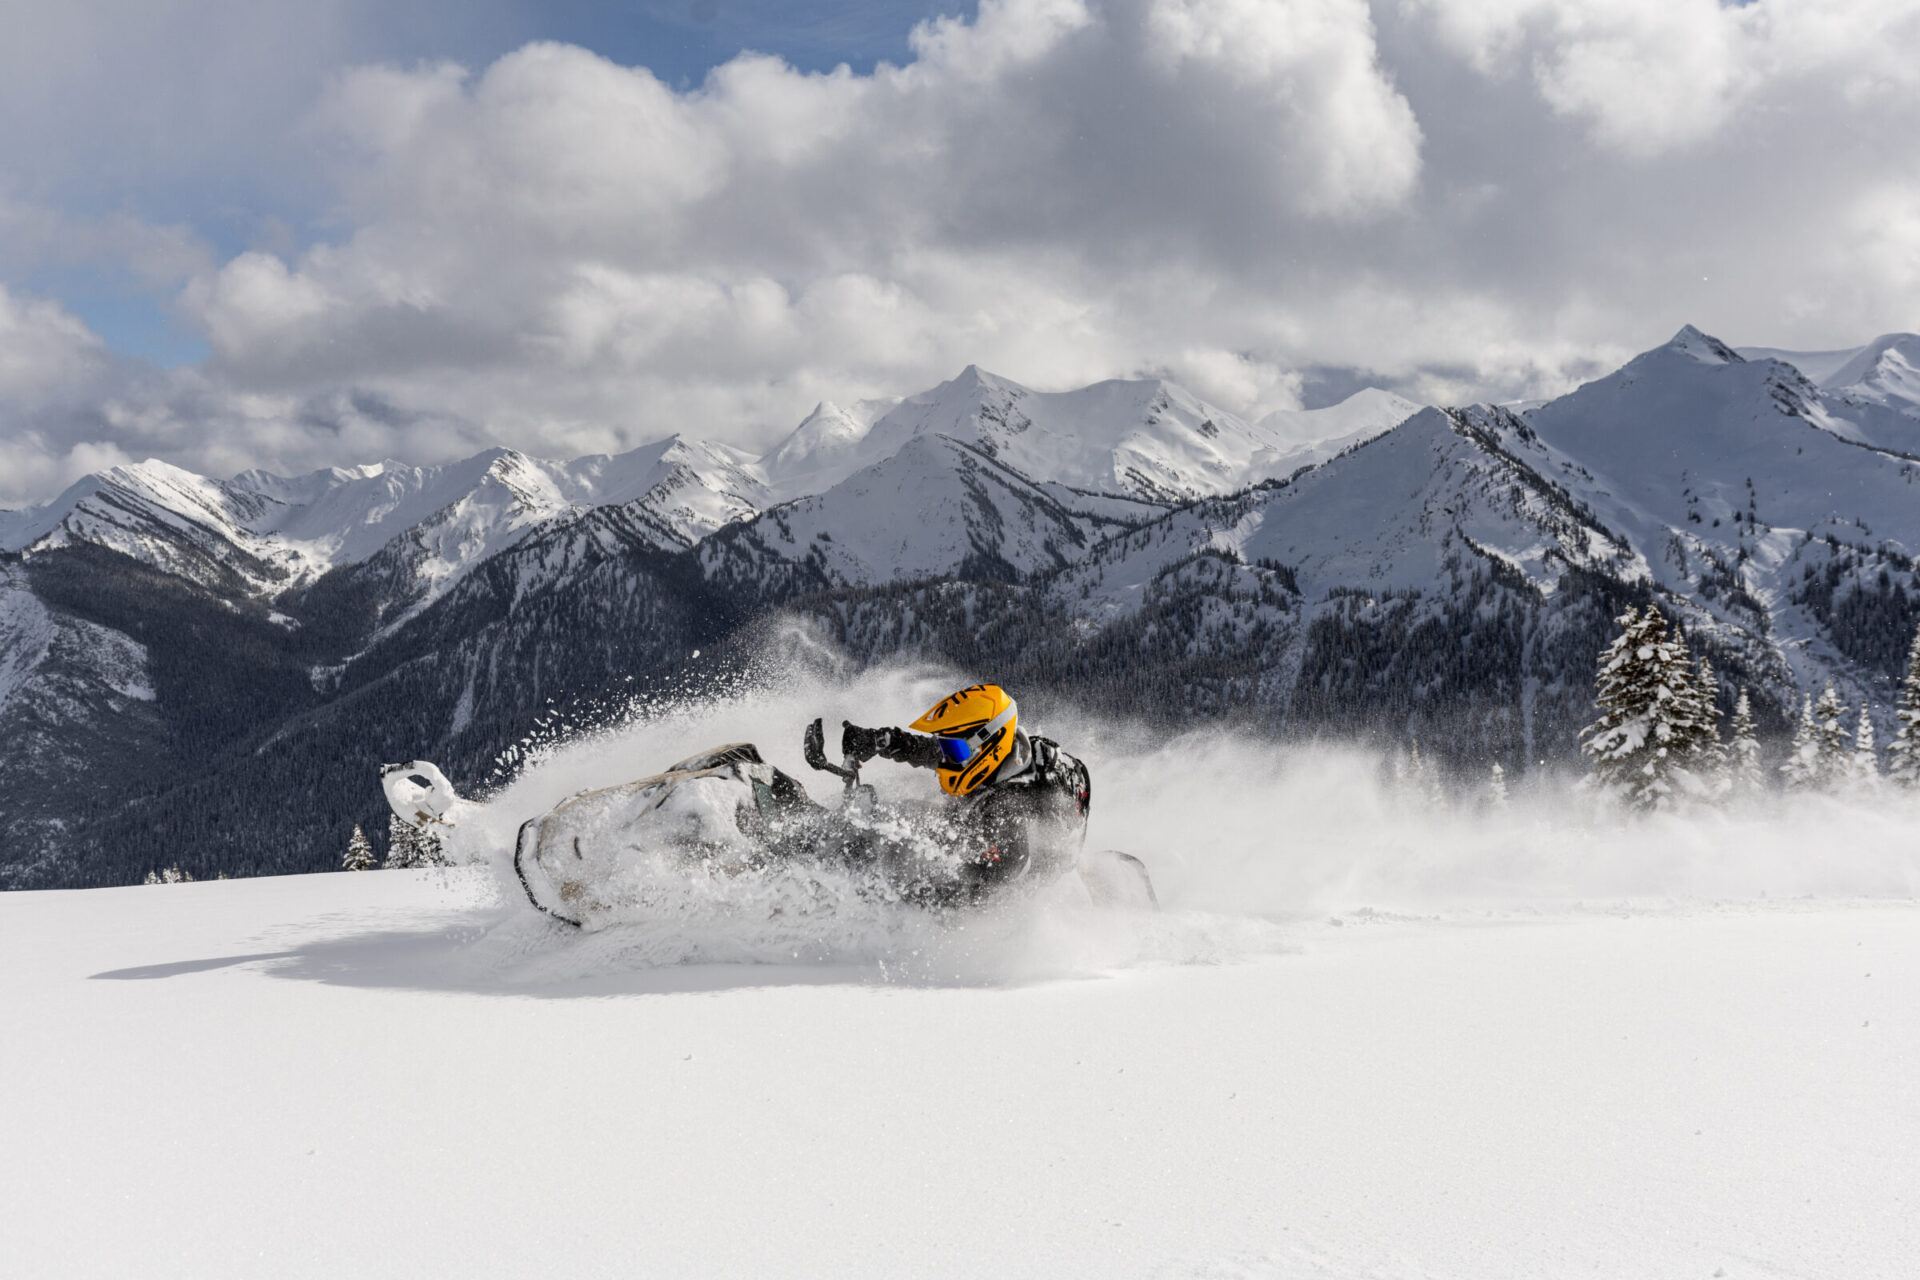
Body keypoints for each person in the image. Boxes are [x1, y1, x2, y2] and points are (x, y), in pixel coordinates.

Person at [838, 683, 1090, 896]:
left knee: (918, 837)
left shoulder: (1011, 807)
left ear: (990, 746)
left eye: (955, 751)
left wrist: (908, 892)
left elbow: (993, 883)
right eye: (947, 747)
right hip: (983, 840)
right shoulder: (994, 758)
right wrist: (883, 740)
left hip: (1009, 897)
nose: (945, 758)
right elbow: (934, 751)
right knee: (914, 820)